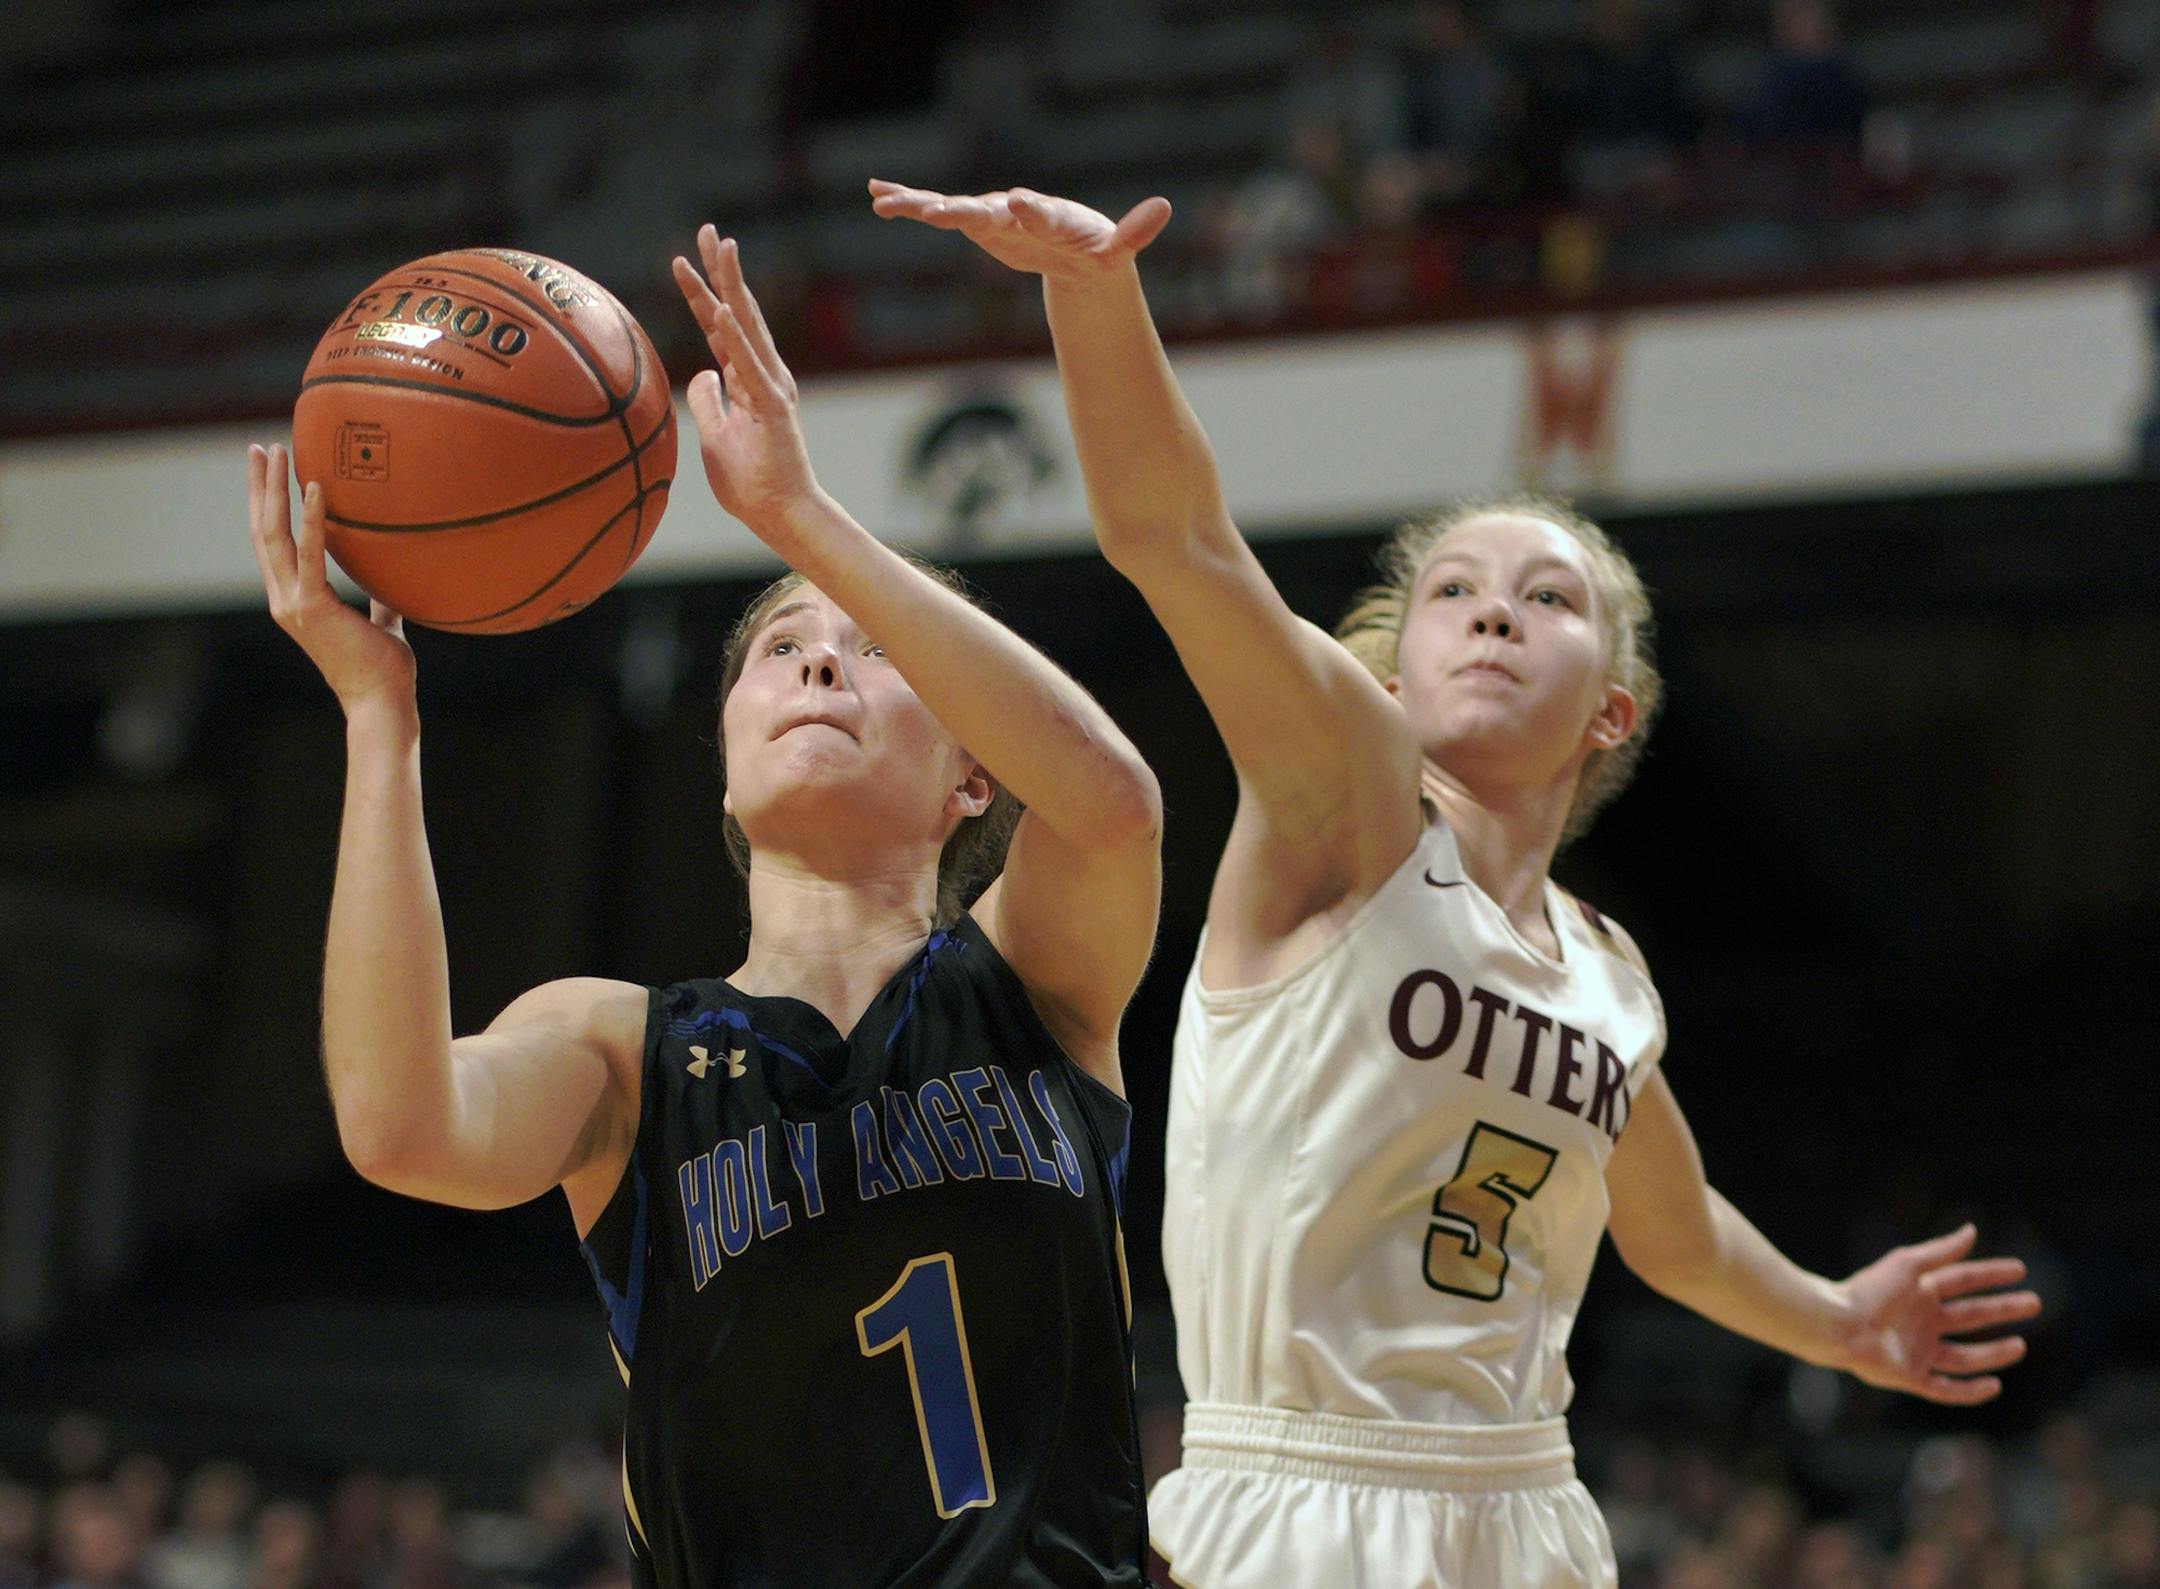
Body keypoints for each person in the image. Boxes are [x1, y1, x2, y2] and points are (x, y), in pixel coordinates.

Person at [870, 178, 2043, 1589]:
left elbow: (1675, 1230)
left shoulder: (1607, 970)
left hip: (1529, 1509)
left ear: (1611, 710)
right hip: (1300, 1497)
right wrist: (1092, 291)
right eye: (1456, 590)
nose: (1495, 607)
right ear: (1393, 666)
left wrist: (1837, 1319)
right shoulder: (1345, 806)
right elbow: (1174, 536)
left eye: (1549, 600)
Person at [243, 224, 1162, 1588]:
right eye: (778, 649)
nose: (818, 666)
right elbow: (399, 1124)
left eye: (869, 647)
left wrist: (802, 517)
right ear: (726, 782)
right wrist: (380, 721)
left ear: (975, 772)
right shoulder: (623, 1049)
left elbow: (1114, 804)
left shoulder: (1036, 985)